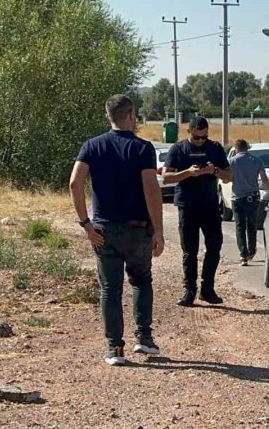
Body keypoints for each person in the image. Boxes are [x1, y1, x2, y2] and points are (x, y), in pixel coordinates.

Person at [69, 94, 165, 366]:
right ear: (132, 115)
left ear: (108, 115)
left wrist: (85, 223)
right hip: (138, 229)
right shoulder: (143, 148)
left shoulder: (92, 146)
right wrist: (158, 230)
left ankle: (115, 349)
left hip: (103, 230)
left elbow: (75, 183)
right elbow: (150, 188)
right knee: (141, 281)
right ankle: (144, 339)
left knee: (110, 289)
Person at [161, 117, 231, 306]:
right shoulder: (178, 149)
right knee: (189, 250)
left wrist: (213, 170)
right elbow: (166, 178)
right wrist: (188, 173)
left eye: (204, 137)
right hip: (187, 205)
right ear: (189, 132)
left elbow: (229, 176)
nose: (201, 141)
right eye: (197, 137)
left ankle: (207, 289)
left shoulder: (214, 148)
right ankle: (189, 290)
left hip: (209, 206)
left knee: (214, 247)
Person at [228, 139, 269, 266]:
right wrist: (267, 194)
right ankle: (252, 250)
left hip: (237, 198)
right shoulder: (256, 161)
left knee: (240, 227)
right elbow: (264, 178)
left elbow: (227, 177)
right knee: (251, 225)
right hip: (252, 197)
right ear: (247, 148)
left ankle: (243, 255)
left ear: (236, 148)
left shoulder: (232, 161)